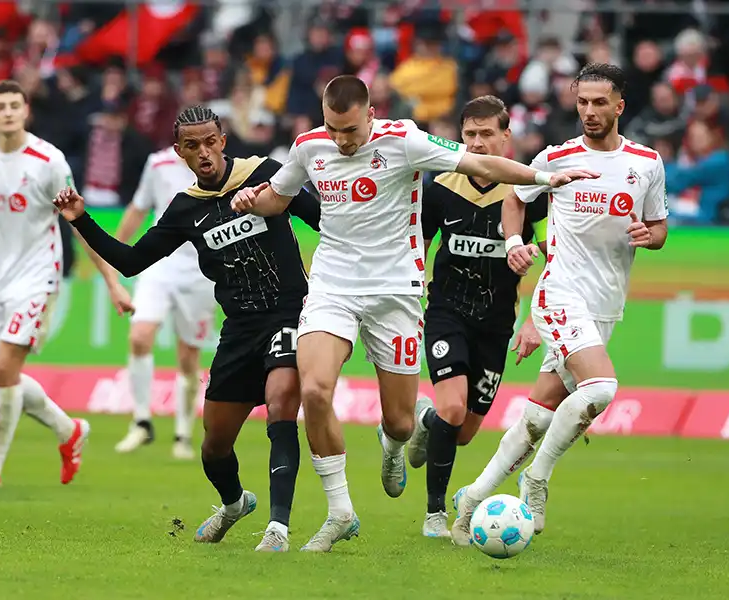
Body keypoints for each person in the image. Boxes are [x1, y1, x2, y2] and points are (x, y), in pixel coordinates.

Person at [230, 74, 597, 552]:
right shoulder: (307, 147)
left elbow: (481, 161)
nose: (341, 141)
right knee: (315, 391)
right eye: (333, 129)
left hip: (394, 294)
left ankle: (395, 442)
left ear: (371, 116)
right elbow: (277, 199)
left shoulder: (404, 140)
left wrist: (546, 178)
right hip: (332, 286)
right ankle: (340, 512)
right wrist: (251, 199)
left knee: (403, 420)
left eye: (351, 131)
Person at [54, 105, 321, 553]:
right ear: (179, 151)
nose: (203, 152)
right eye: (192, 145)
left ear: (223, 141)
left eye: (210, 141)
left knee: (281, 405)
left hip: (288, 314)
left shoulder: (269, 175)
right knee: (214, 446)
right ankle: (235, 503)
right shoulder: (185, 209)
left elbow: (324, 222)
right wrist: (81, 218)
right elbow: (131, 261)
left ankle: (278, 528)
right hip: (237, 330)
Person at [450, 63, 669, 544]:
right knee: (602, 388)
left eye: (599, 103)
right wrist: (513, 245)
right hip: (560, 291)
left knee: (541, 413)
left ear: (619, 106)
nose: (589, 111)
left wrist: (646, 236)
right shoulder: (557, 157)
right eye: (582, 102)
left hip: (606, 304)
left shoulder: (647, 163)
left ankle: (471, 498)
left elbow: (658, 229)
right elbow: (514, 200)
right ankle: (537, 479)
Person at [0, 80, 129, 488]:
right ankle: (69, 430)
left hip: (39, 277)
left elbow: (79, 223)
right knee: (0, 376)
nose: (7, 112)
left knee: (5, 370)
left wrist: (112, 282)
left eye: (14, 105)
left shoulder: (48, 161)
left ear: (26, 111)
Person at [406, 95, 547, 539]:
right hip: (447, 313)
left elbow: (560, 255)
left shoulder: (527, 193)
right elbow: (414, 249)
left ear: (507, 136)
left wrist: (534, 319)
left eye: (487, 134)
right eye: (470, 135)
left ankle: (422, 421)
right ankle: (434, 516)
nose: (479, 142)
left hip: (496, 322)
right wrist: (408, 305)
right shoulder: (441, 188)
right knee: (452, 408)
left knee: (462, 431)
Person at [110, 147, 214, 460]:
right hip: (159, 266)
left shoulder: (219, 167)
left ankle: (183, 433)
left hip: (200, 272)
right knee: (139, 336)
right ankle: (141, 421)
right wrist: (112, 259)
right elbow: (138, 208)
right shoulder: (157, 163)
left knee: (188, 356)